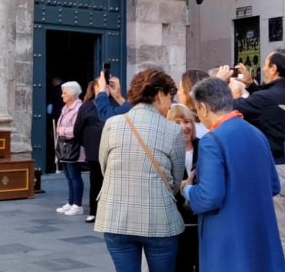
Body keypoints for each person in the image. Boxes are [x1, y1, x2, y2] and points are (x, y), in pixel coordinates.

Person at [181, 77, 285, 272]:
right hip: (259, 235)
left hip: (226, 240)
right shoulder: (257, 133)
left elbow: (208, 197)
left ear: (204, 108)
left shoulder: (212, 141)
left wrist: (187, 189)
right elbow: (274, 185)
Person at [96, 69, 184, 272]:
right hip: (159, 219)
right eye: (170, 97)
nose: (170, 104)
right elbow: (175, 180)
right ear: (160, 94)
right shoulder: (173, 130)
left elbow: (105, 167)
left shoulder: (112, 123)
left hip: (115, 217)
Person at [233, 49, 285, 272]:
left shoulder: (265, 98)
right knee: (283, 228)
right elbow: (266, 101)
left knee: (279, 233)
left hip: (276, 171)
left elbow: (228, 109)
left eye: (265, 64)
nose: (262, 67)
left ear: (274, 69)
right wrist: (252, 85)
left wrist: (225, 86)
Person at [166, 103, 199, 271]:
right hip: (176, 221)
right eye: (177, 122)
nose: (184, 127)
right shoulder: (165, 150)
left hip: (201, 221)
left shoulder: (205, 146)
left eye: (187, 121)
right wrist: (182, 185)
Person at [74, 81, 105, 224]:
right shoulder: (86, 106)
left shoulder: (114, 105)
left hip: (111, 151)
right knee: (95, 181)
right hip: (94, 151)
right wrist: (87, 144)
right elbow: (78, 129)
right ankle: (94, 211)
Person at [55, 80, 85, 216]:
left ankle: (77, 204)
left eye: (64, 93)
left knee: (75, 175)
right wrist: (61, 130)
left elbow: (75, 129)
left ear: (73, 94)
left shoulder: (79, 108)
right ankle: (70, 201)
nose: (62, 95)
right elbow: (59, 125)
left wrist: (61, 130)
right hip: (64, 146)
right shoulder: (65, 107)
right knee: (68, 175)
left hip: (74, 147)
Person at [177, 70, 210, 137]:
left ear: (188, 92)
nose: (178, 93)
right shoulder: (214, 119)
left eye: (180, 89)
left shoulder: (186, 128)